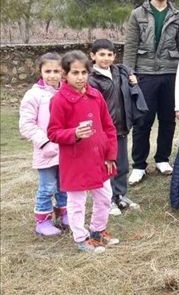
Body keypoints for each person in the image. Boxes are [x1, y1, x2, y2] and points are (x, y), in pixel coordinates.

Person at [47, 50, 119, 253]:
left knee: (105, 196)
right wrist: (74, 133)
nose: (80, 78)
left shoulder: (95, 95)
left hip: (100, 158)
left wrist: (110, 155)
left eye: (83, 73)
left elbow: (108, 127)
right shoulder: (60, 100)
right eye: (75, 73)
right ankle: (81, 237)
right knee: (77, 202)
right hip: (76, 160)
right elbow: (53, 133)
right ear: (65, 75)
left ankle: (98, 230)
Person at [123, 0, 179, 185]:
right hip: (145, 73)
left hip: (170, 72)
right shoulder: (137, 14)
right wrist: (128, 73)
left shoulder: (177, 15)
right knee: (143, 121)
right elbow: (131, 46)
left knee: (168, 120)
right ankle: (139, 165)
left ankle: (162, 159)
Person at [88, 39, 148, 216]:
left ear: (114, 56)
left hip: (121, 128)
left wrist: (134, 81)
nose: (106, 58)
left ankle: (121, 195)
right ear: (93, 56)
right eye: (101, 54)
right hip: (103, 131)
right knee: (106, 166)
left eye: (109, 54)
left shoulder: (120, 73)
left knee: (121, 164)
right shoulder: (91, 79)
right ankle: (106, 200)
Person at [19, 53, 67, 236]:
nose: (53, 75)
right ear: (40, 71)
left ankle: (64, 213)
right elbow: (26, 125)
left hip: (65, 147)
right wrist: (45, 143)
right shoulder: (34, 95)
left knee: (65, 184)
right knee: (48, 186)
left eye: (57, 71)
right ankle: (42, 221)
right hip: (46, 150)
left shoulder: (66, 91)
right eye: (48, 71)